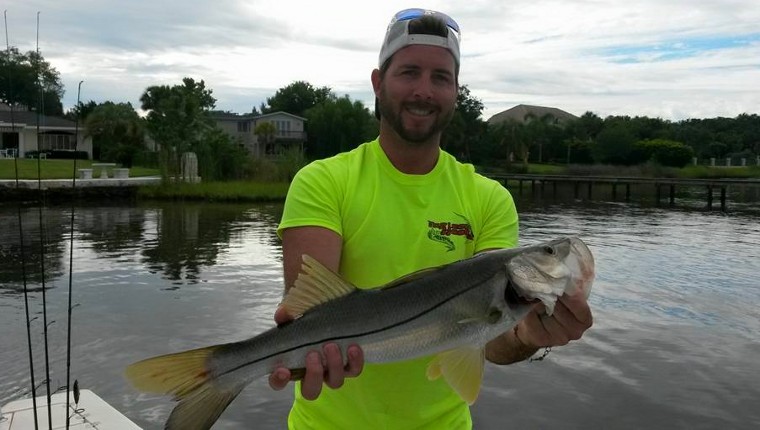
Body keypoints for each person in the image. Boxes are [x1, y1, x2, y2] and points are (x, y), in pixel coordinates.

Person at [269, 7, 593, 429]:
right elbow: (312, 313)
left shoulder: (490, 199)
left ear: (455, 91)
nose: (424, 90)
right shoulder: (322, 181)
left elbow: (492, 343)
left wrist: (529, 336)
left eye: (440, 77)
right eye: (409, 72)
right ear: (378, 83)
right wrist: (299, 355)